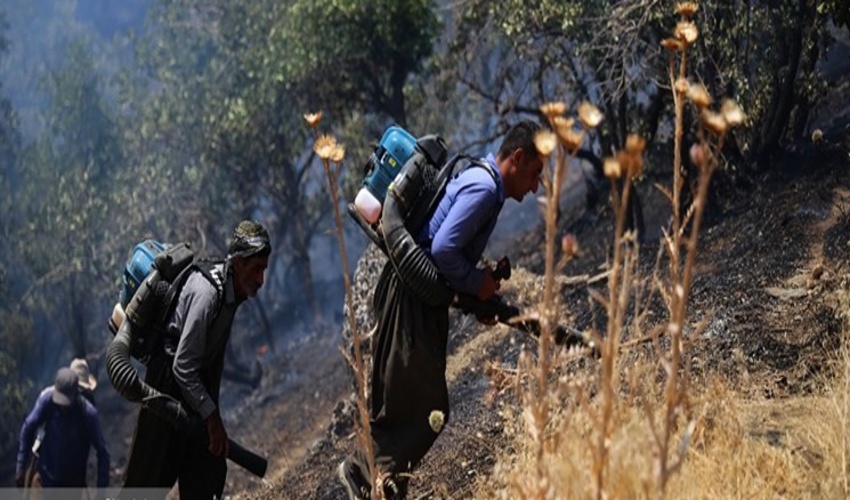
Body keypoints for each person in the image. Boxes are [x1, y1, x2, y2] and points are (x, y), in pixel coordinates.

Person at [339, 121, 544, 498]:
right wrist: (476, 283)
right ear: (516, 157)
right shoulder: (484, 188)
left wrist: (478, 292)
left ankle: (380, 484)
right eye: (534, 174)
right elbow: (444, 250)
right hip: (411, 302)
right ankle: (363, 476)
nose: (534, 187)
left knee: (406, 403)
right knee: (426, 409)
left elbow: (446, 247)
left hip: (414, 298)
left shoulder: (482, 181)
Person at [121, 220, 271, 499]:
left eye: (264, 269)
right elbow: (182, 366)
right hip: (165, 392)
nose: (261, 279)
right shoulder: (207, 293)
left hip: (193, 399)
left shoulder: (232, 292)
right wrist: (212, 419)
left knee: (206, 476)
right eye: (256, 269)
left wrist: (210, 414)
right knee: (144, 486)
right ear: (237, 263)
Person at [15, 367, 110, 490]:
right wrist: (21, 465)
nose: (62, 407)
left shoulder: (88, 413)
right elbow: (28, 428)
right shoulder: (47, 401)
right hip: (44, 481)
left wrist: (101, 491)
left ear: (76, 394)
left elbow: (102, 452)